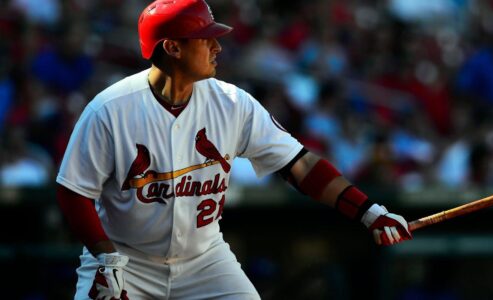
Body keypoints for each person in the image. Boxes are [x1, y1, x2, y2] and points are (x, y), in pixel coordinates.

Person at [55, 1, 412, 299]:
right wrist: (105, 258)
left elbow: (301, 166)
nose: (217, 47)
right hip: (126, 261)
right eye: (205, 38)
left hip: (204, 261)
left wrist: (368, 211)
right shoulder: (110, 110)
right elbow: (73, 190)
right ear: (173, 47)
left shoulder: (232, 103)